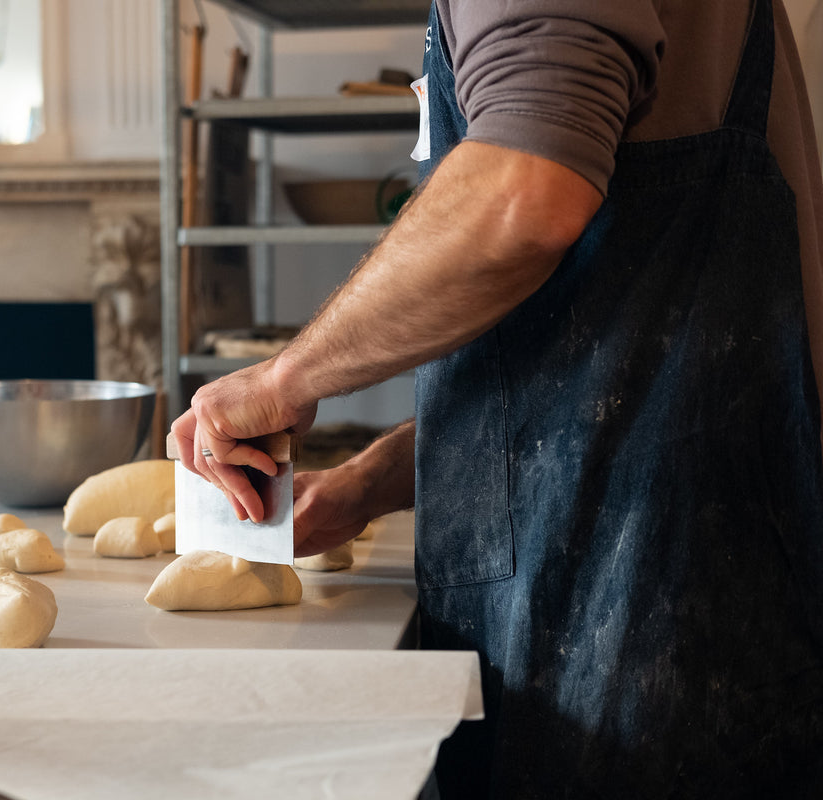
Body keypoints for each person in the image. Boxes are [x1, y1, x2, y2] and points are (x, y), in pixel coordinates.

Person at [171, 0, 823, 796]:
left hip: (627, 638)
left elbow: (525, 194)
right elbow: (608, 358)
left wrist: (283, 381)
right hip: (691, 603)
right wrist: (373, 481)